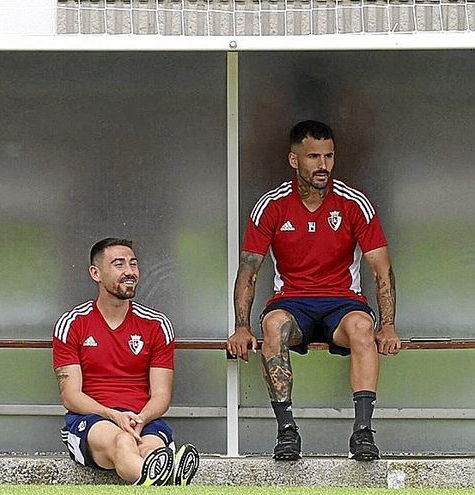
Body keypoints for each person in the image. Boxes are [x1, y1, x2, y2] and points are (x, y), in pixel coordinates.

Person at [226, 120, 401, 461]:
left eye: (329, 156)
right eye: (314, 157)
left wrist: (389, 323)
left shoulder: (354, 203)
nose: (323, 166)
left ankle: (363, 434)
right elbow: (248, 271)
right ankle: (287, 432)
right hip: (293, 304)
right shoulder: (272, 205)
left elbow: (382, 269)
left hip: (343, 304)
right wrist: (241, 326)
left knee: (364, 329)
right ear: (294, 160)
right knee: (273, 326)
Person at [52, 238, 199, 485]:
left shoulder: (157, 325)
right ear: (95, 273)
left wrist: (140, 418)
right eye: (119, 265)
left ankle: (161, 476)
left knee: (153, 449)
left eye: (133, 264)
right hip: (92, 420)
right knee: (122, 441)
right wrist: (113, 415)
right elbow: (70, 396)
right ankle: (170, 481)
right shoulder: (72, 324)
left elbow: (161, 394)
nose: (130, 272)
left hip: (143, 419)